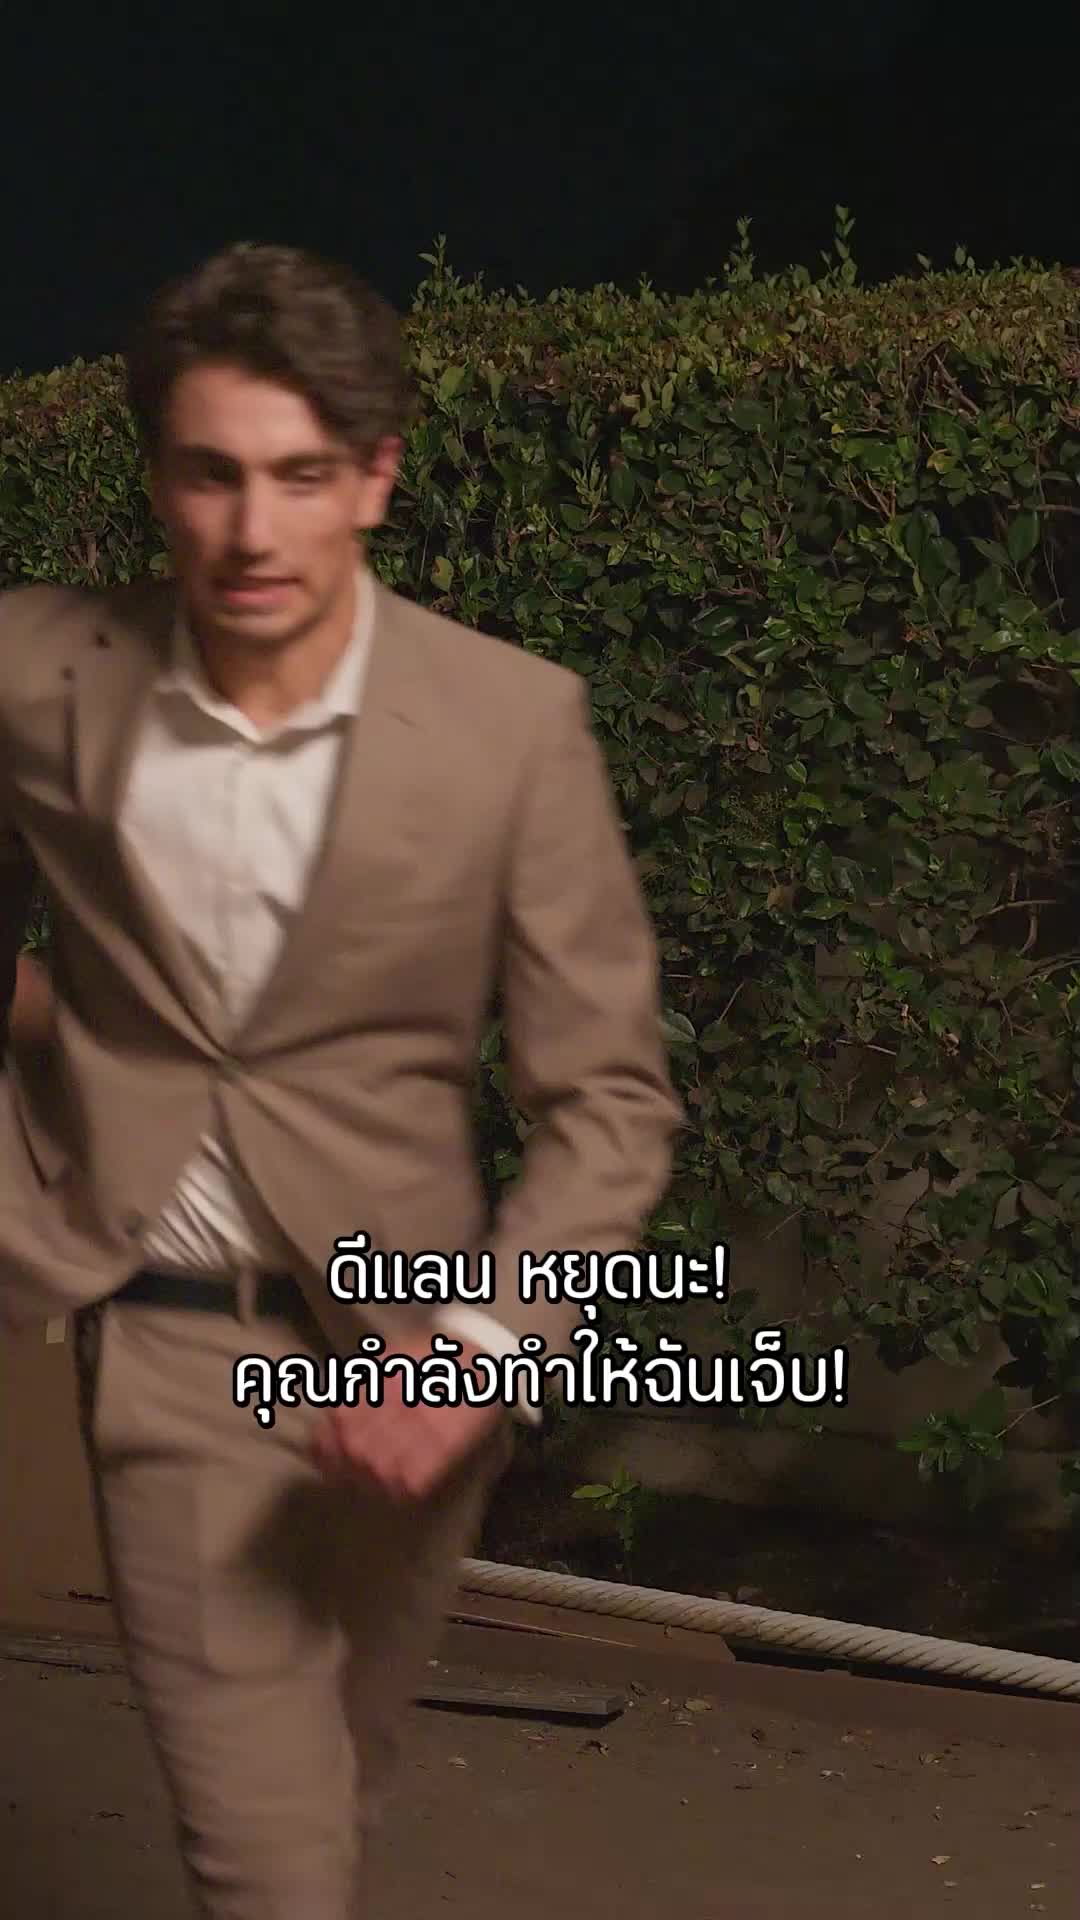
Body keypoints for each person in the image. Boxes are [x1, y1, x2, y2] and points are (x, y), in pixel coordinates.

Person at [0, 241, 682, 1918]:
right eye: (210, 473)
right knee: (271, 1860)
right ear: (156, 476)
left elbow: (610, 1099)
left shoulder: (512, 726)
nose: (252, 530)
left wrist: (481, 1346)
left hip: (416, 1343)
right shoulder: (42, 672)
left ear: (376, 477)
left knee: (338, 1784)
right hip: (172, 1347)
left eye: (300, 476)